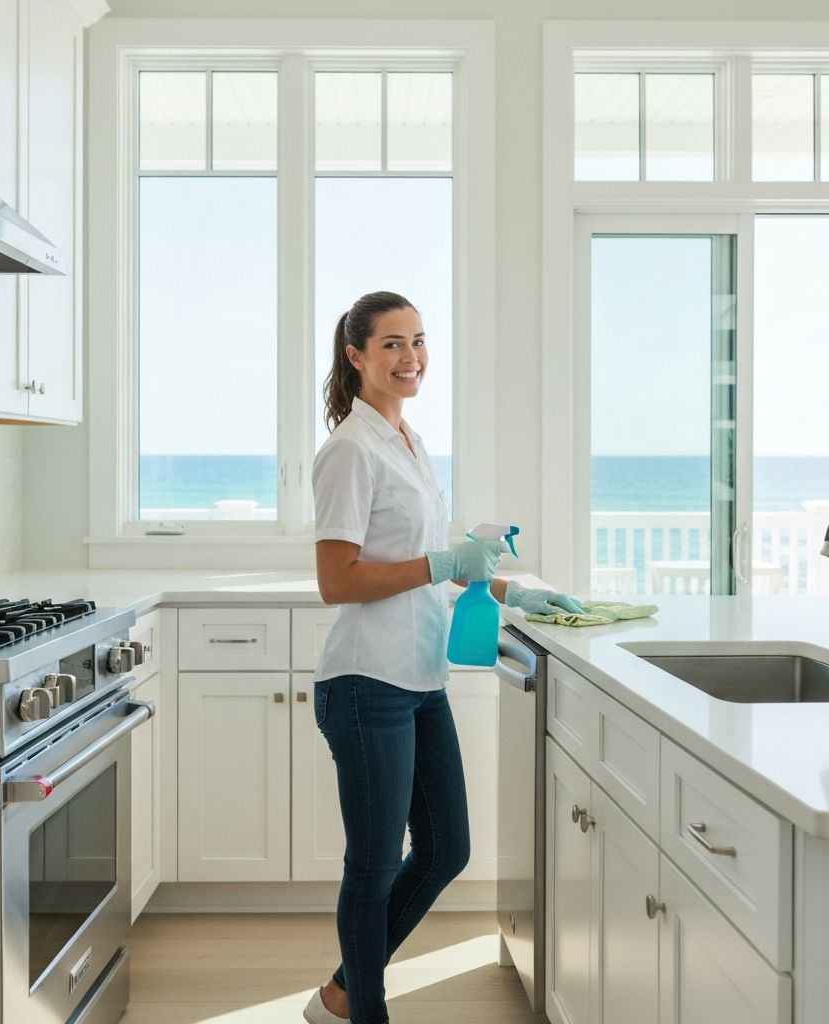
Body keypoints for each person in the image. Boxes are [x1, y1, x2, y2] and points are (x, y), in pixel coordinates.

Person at [304, 290, 582, 1024]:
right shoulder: (349, 450)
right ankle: (364, 1012)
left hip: (420, 677)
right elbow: (337, 580)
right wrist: (441, 563)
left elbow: (433, 561)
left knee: (445, 849)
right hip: (365, 682)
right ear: (356, 356)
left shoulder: (408, 441)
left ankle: (341, 993)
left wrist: (513, 591)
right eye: (392, 344)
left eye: (419, 341)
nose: (411, 357)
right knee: (372, 865)